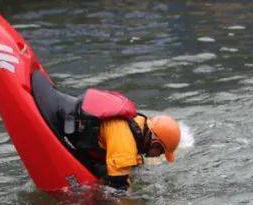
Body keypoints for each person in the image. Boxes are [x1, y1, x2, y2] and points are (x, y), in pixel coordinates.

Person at [31, 70, 183, 190]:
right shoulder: (126, 143)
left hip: (69, 109)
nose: (156, 156)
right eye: (160, 152)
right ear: (155, 142)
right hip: (58, 121)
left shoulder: (137, 121)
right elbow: (118, 190)